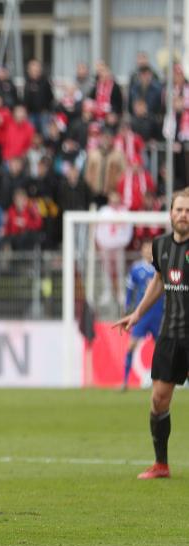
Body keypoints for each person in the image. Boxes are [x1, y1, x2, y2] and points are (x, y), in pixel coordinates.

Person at [115, 190, 189, 479]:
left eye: (188, 210)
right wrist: (136, 314)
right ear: (171, 213)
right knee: (158, 400)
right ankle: (161, 464)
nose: (184, 215)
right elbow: (158, 282)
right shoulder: (160, 246)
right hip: (170, 334)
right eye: (179, 210)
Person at [122, 240, 164, 391]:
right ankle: (125, 381)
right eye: (146, 249)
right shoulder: (136, 269)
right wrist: (128, 309)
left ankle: (163, 381)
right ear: (142, 252)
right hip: (142, 315)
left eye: (151, 249)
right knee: (131, 346)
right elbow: (130, 291)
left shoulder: (161, 268)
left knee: (163, 350)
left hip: (158, 314)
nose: (148, 252)